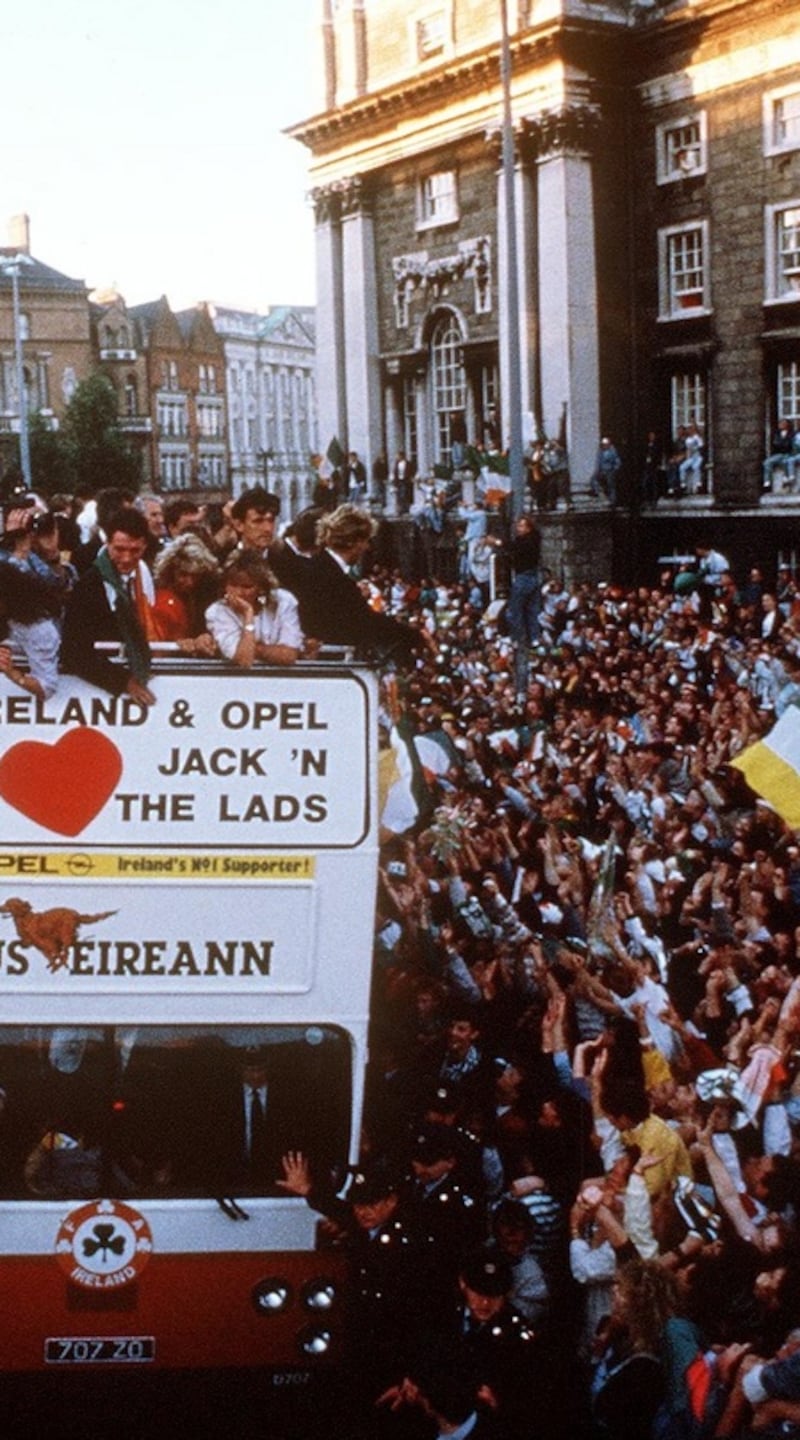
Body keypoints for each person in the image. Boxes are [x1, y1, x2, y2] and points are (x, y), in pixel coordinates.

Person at [295, 504, 424, 664]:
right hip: (329, 663)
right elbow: (364, 623)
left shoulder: (325, 568)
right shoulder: (329, 574)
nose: (367, 547)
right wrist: (413, 635)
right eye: (365, 541)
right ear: (352, 541)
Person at [60, 507, 156, 705]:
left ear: (144, 546)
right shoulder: (89, 586)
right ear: (107, 543)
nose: (127, 558)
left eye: (134, 550)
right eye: (119, 550)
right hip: (97, 695)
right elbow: (73, 651)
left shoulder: (145, 576)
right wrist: (123, 682)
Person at [205, 552, 303, 666]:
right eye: (232, 585)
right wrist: (248, 613)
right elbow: (244, 660)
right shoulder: (216, 611)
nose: (238, 592)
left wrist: (255, 649)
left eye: (246, 587)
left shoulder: (284, 600)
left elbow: (289, 655)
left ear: (261, 588)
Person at [150, 533, 219, 655]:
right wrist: (179, 643)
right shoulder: (163, 600)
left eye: (195, 575)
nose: (190, 582)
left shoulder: (195, 598)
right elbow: (157, 649)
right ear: (170, 571)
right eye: (183, 574)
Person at [763, 419, 796, 493]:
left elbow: (790, 445)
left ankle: (786, 479)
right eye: (780, 423)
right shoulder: (777, 434)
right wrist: (782, 444)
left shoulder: (792, 434)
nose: (781, 425)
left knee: (786, 461)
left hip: (788, 453)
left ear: (787, 425)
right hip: (779, 454)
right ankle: (767, 481)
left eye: (783, 423)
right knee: (767, 462)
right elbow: (775, 444)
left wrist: (782, 444)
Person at [590, 437, 622, 507]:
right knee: (593, 480)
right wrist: (597, 470)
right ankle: (602, 496)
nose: (605, 446)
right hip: (602, 470)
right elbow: (598, 461)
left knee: (611, 486)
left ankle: (612, 501)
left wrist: (615, 469)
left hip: (610, 470)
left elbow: (617, 461)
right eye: (603, 444)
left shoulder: (612, 451)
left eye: (606, 444)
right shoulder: (600, 451)